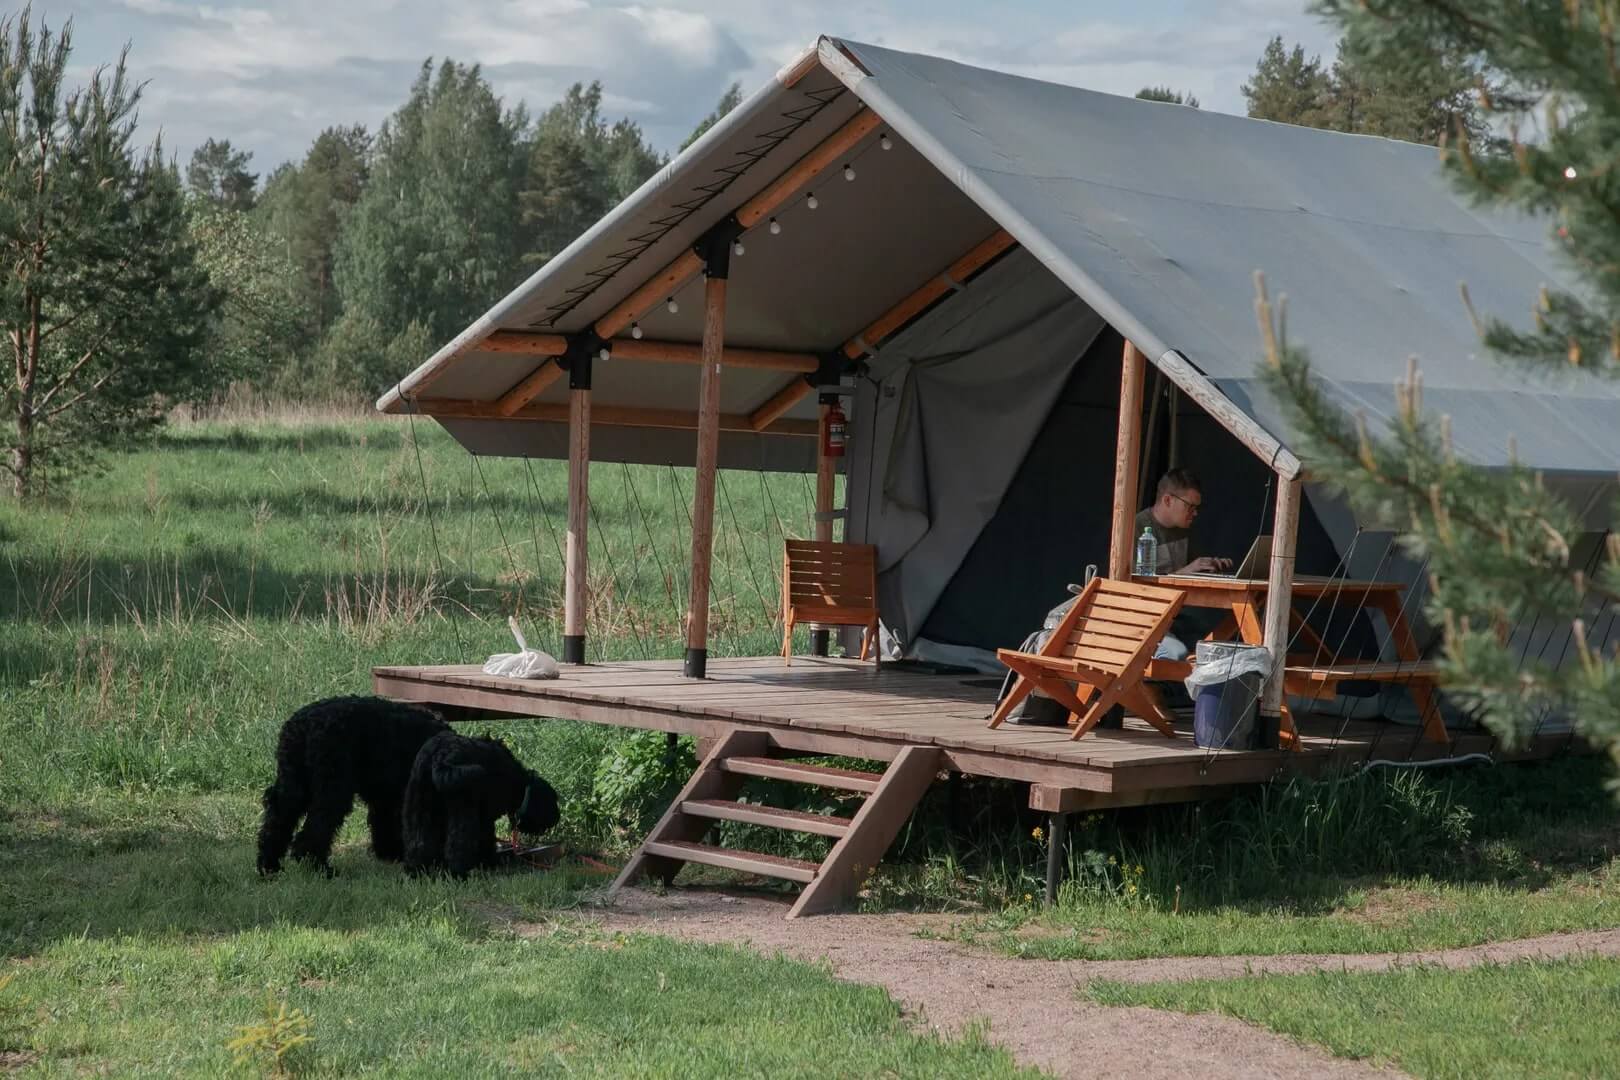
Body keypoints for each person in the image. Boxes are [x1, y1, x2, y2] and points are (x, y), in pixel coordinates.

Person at [1135, 468, 1230, 661]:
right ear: (1168, 500)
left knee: (1218, 645)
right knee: (1178, 653)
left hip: (1174, 617)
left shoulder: (1183, 530)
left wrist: (1209, 565)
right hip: (1145, 620)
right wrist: (1187, 570)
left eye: (1197, 508)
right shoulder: (1136, 528)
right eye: (1190, 506)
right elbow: (1135, 587)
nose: (1194, 513)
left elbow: (1190, 570)